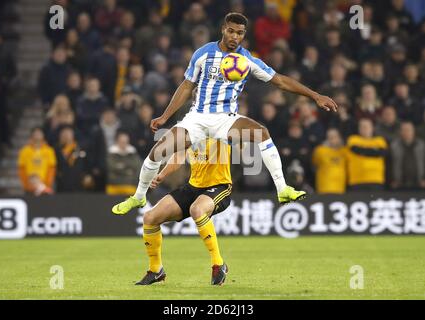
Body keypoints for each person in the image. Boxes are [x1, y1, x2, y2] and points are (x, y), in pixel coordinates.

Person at [112, 13, 337, 215]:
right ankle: (139, 198)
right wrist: (165, 117)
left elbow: (279, 80)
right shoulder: (203, 54)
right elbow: (187, 86)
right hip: (197, 118)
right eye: (231, 31)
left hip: (225, 119)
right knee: (158, 150)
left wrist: (315, 95)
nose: (234, 37)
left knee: (262, 133)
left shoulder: (246, 60)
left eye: (240, 33)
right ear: (223, 29)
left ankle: (282, 189)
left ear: (244, 35)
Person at [134, 138, 233, 286]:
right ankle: (156, 270)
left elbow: (239, 132)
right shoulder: (190, 129)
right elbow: (179, 156)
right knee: (150, 218)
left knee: (197, 209)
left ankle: (218, 265)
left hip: (220, 186)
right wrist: (162, 175)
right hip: (193, 187)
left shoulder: (221, 126)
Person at [346, 118, 387, 191]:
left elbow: (381, 153)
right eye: (362, 127)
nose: (365, 129)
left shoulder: (380, 140)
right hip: (357, 181)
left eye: (367, 126)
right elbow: (356, 150)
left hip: (376, 180)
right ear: (359, 129)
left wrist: (363, 151)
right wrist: (373, 150)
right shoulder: (353, 139)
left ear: (372, 128)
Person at [18, 127, 56, 194]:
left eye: (39, 133)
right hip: (29, 187)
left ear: (43, 135)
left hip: (44, 187)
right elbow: (22, 170)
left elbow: (51, 169)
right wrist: (27, 185)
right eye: (36, 133)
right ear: (32, 135)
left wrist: (47, 185)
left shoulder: (49, 151)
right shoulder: (25, 151)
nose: (37, 135)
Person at [312, 128, 347, 194]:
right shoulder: (320, 150)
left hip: (340, 189)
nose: (332, 139)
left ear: (339, 138)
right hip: (324, 189)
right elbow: (314, 163)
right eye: (329, 137)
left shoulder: (344, 151)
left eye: (334, 136)